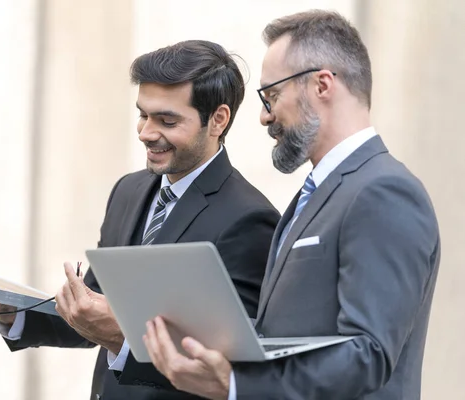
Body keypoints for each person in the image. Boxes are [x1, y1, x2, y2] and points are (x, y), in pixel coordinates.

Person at [126, 10, 441, 400]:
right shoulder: (318, 192)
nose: (263, 116)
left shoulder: (385, 191)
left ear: (322, 85)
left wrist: (236, 385)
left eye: (272, 95)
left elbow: (368, 354)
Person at [0, 39, 280, 400]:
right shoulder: (128, 191)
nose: (146, 132)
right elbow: (97, 311)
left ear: (218, 120)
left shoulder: (250, 220)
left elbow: (229, 371)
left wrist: (120, 336)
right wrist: (14, 313)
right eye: (142, 114)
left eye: (166, 120)